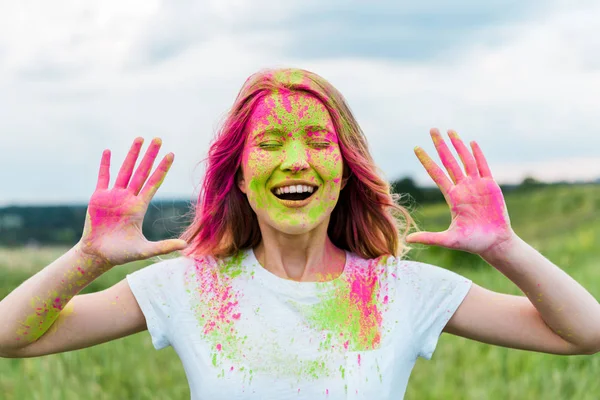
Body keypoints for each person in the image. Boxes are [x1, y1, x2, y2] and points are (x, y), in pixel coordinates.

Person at [0, 68, 599, 400]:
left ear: (346, 173)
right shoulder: (190, 286)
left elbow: (584, 334)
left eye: (317, 143)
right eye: (268, 143)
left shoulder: (400, 289)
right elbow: (11, 338)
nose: (295, 161)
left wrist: (504, 248)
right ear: (237, 173)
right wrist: (87, 257)